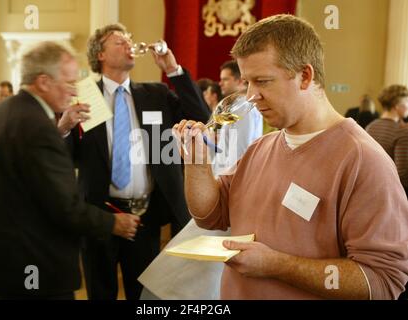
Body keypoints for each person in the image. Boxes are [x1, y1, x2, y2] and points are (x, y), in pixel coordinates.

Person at [173, 14, 408, 299]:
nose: (251, 96)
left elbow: (383, 282)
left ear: (305, 76)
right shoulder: (261, 148)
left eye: (263, 81)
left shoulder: (364, 161)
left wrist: (276, 265)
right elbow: (209, 215)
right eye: (246, 82)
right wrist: (197, 160)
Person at [0, 41, 140, 300]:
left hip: (0, 258)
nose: (73, 92)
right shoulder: (39, 126)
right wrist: (113, 222)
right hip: (35, 260)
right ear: (44, 81)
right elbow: (64, 206)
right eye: (69, 83)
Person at [58, 23, 210, 300]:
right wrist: (64, 127)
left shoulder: (155, 94)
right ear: (100, 54)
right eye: (119, 41)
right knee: (100, 292)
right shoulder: (85, 96)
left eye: (129, 39)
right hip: (99, 217)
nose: (129, 44)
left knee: (142, 297)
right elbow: (64, 157)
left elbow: (201, 117)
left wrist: (173, 70)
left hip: (145, 218)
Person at [366, 85, 408, 196]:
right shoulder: (402, 132)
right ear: (397, 106)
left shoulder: (371, 126)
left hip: (372, 186)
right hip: (393, 193)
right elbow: (402, 174)